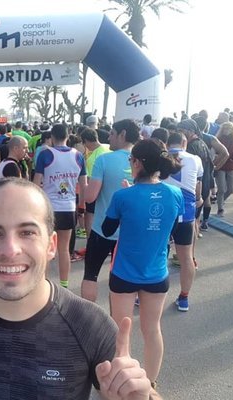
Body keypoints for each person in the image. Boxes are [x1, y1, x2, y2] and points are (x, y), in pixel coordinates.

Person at [0, 178, 153, 400]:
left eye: (27, 232)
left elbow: (140, 393)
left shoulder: (91, 326)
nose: (11, 250)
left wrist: (135, 396)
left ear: (51, 245)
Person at [102, 139, 183, 388]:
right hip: (157, 274)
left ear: (137, 163)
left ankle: (120, 384)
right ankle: (150, 384)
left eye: (131, 160)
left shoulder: (122, 196)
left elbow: (107, 230)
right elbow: (174, 229)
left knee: (120, 332)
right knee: (152, 329)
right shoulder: (175, 193)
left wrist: (129, 198)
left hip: (124, 273)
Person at [81, 119, 139, 302]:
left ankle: (89, 316)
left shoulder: (104, 160)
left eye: (112, 134)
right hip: (130, 232)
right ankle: (119, 318)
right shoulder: (141, 161)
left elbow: (90, 197)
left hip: (102, 229)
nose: (109, 138)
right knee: (122, 281)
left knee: (90, 276)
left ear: (122, 134)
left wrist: (83, 184)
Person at [33, 124, 87, 288]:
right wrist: (81, 207)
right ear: (67, 136)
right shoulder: (78, 156)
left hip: (48, 208)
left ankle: (43, 285)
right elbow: (83, 185)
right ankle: (64, 285)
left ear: (52, 137)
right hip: (69, 207)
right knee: (64, 249)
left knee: (45, 248)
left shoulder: (45, 154)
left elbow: (36, 183)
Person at [165, 132, 203, 311]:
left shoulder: (161, 157)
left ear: (167, 144)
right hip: (186, 213)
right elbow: (198, 184)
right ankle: (184, 298)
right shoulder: (195, 159)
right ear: (184, 142)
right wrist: (199, 198)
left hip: (163, 211)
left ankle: (146, 295)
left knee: (156, 254)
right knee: (186, 258)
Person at [80, 127, 110, 237]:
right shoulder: (108, 147)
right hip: (110, 190)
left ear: (86, 141)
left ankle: (90, 240)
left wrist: (84, 199)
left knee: (89, 215)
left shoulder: (92, 158)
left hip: (97, 191)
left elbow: (88, 181)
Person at [215, 122, 233, 216]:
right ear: (222, 129)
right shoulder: (218, 139)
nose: (227, 130)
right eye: (225, 128)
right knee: (221, 188)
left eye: (229, 128)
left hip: (231, 166)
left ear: (232, 130)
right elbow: (214, 151)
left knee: (231, 188)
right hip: (220, 166)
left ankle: (221, 201)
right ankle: (220, 208)